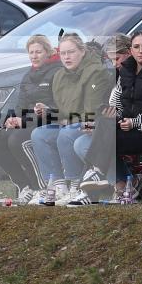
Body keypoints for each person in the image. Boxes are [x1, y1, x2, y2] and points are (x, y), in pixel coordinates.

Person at [78, 31, 142, 204]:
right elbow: (115, 106)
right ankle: (122, 185)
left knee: (103, 140)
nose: (141, 51)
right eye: (137, 47)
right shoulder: (125, 72)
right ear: (131, 50)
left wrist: (133, 122)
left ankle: (96, 177)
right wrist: (103, 122)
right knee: (82, 141)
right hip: (125, 128)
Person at [30, 33, 112, 206]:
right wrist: (49, 112)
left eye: (71, 52)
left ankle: (75, 185)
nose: (66, 57)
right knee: (39, 134)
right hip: (69, 123)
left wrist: (66, 120)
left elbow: (92, 112)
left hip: (92, 124)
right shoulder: (59, 75)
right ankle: (58, 187)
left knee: (67, 133)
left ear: (82, 51)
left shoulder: (96, 72)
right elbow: (64, 112)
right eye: (63, 53)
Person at [0, 35, 61, 204]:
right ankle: (24, 186)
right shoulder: (28, 75)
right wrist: (13, 119)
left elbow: (56, 108)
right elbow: (20, 105)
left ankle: (41, 188)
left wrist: (25, 121)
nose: (34, 56)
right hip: (29, 122)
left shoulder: (57, 72)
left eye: (38, 52)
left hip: (50, 121)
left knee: (17, 140)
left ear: (48, 52)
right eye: (31, 52)